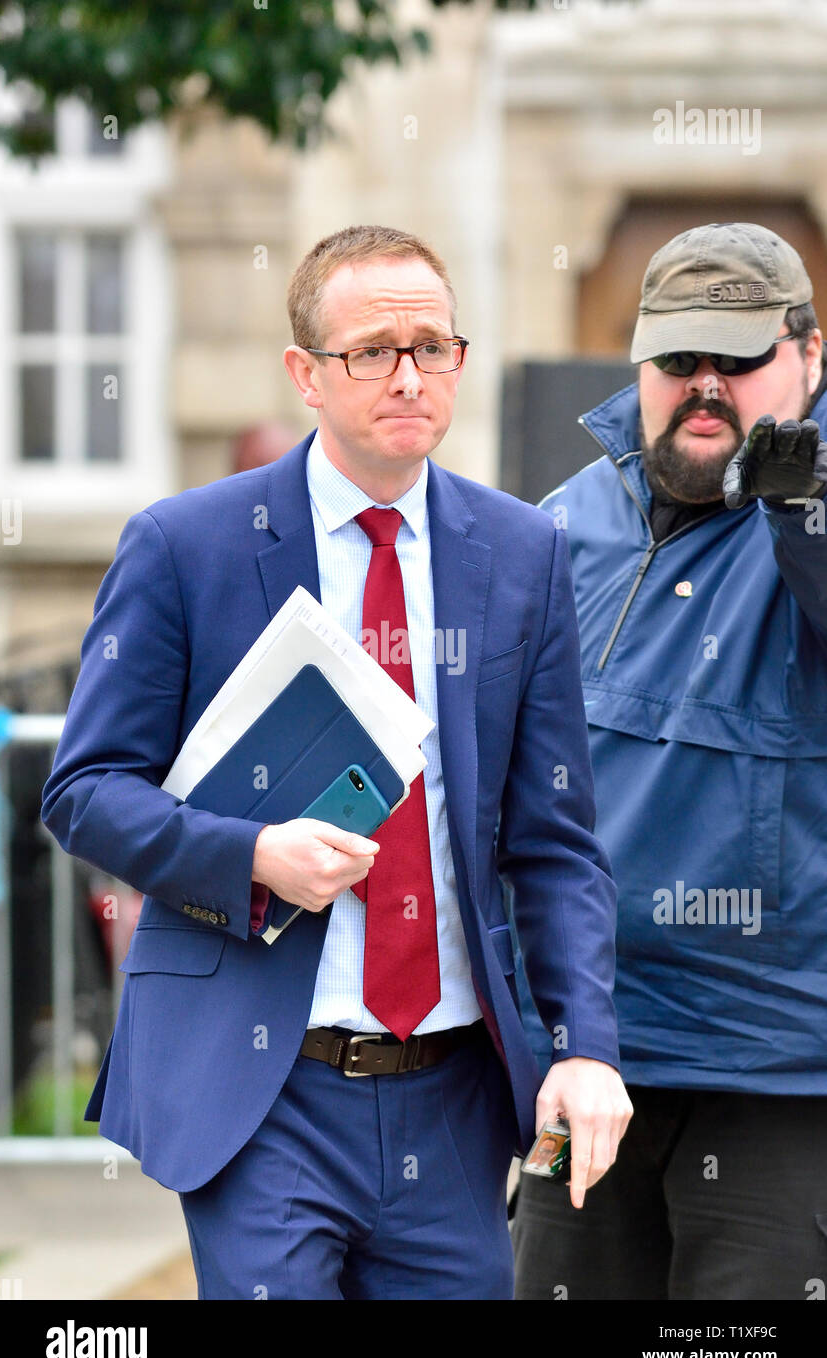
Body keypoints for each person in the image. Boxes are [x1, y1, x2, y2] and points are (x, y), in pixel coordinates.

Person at [41, 224, 631, 1301]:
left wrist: (585, 1045)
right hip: (263, 1086)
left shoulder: (521, 552)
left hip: (453, 1095)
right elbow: (82, 794)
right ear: (305, 374)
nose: (408, 375)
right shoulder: (187, 545)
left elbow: (555, 842)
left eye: (432, 346)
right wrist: (252, 852)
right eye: (372, 350)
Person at [512, 221, 827, 1301]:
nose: (705, 385)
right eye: (677, 359)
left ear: (810, 356)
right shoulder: (562, 521)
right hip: (591, 1056)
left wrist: (806, 510)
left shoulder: (814, 507)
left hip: (777, 1075)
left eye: (738, 361)